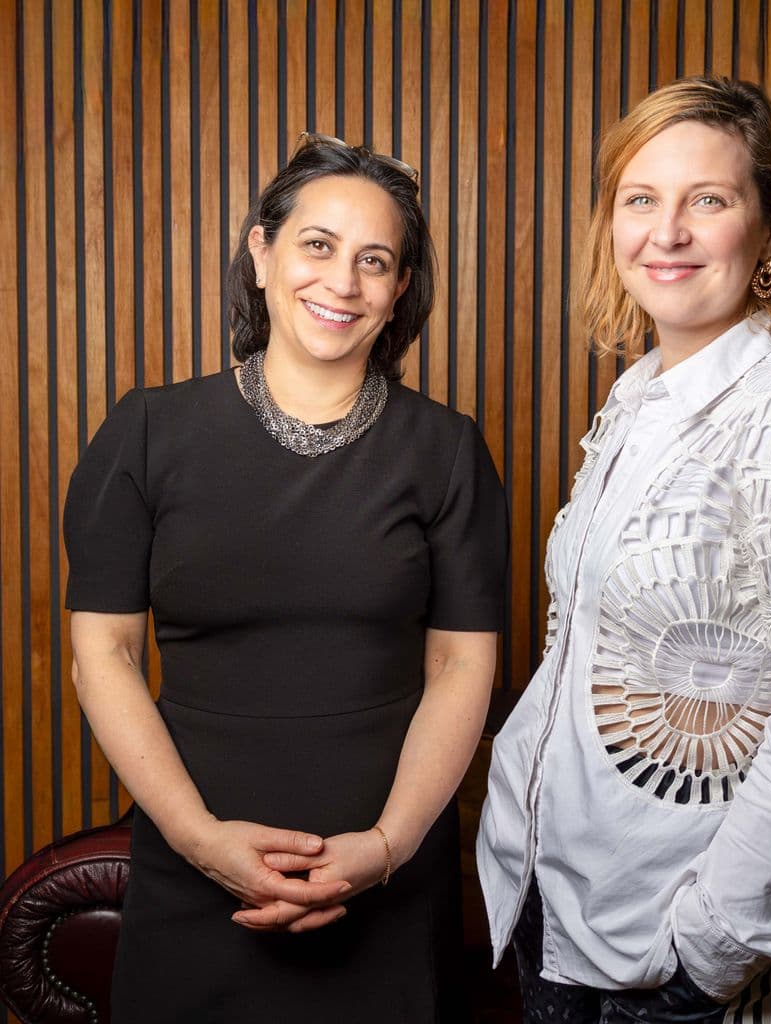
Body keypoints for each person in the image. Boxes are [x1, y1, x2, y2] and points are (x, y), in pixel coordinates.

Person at [477, 77, 771, 1024]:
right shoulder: (640, 401)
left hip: (675, 961)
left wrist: (709, 950)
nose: (665, 233)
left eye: (707, 201)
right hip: (562, 914)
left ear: (770, 227)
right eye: (641, 199)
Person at [64, 132, 508, 1023]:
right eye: (318, 245)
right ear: (261, 253)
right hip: (192, 877)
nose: (342, 283)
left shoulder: (449, 452)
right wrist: (199, 841)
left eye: (374, 261)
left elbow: (463, 669)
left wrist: (384, 849)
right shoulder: (147, 433)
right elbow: (101, 657)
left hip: (386, 884)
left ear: (400, 291)